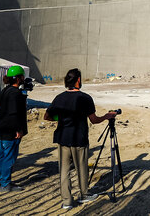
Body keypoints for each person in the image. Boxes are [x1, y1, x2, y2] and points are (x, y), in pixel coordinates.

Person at [44, 68, 116, 210]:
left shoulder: (59, 97)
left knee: (64, 170)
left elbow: (47, 116)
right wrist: (107, 116)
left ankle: (67, 201)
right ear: (78, 80)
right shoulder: (85, 98)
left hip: (63, 138)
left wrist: (61, 118)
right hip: (79, 138)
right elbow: (94, 120)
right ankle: (84, 195)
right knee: (81, 167)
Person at [0, 66, 28, 193]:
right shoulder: (15, 93)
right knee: (9, 157)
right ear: (18, 78)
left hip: (1, 130)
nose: (24, 79)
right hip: (10, 131)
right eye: (22, 77)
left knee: (1, 156)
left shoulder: (5, 91)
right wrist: (18, 129)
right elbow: (14, 113)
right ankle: (5, 184)